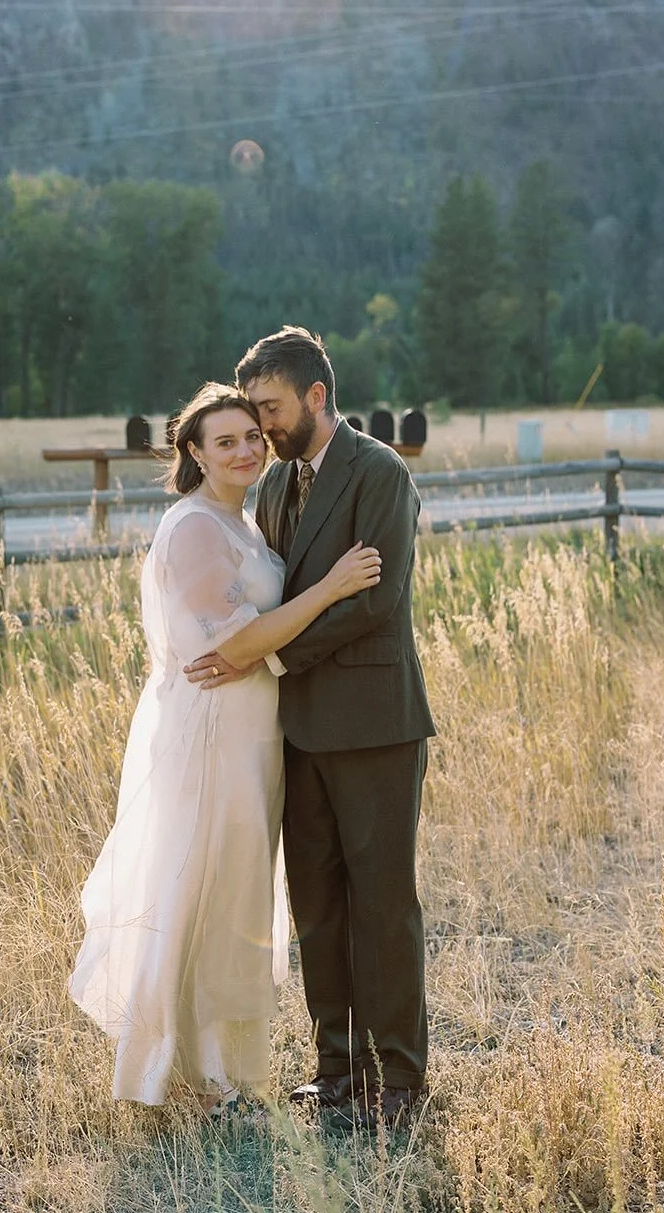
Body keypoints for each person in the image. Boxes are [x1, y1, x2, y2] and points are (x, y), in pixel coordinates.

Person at [68, 382, 381, 1113]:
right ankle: (175, 1079)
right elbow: (231, 643)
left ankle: (218, 1070)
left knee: (234, 895)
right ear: (194, 454)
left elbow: (251, 639)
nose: (244, 450)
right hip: (209, 737)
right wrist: (332, 587)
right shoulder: (193, 528)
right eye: (225, 441)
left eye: (251, 436)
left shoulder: (242, 523)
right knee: (195, 894)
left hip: (253, 739)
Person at [185, 329, 435, 1129]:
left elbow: (372, 601)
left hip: (372, 726)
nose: (260, 428)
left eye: (269, 409)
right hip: (295, 732)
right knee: (317, 904)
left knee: (381, 903)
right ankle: (337, 1071)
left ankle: (398, 1080)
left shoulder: (379, 473)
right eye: (250, 413)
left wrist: (275, 659)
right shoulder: (273, 487)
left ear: (315, 396)